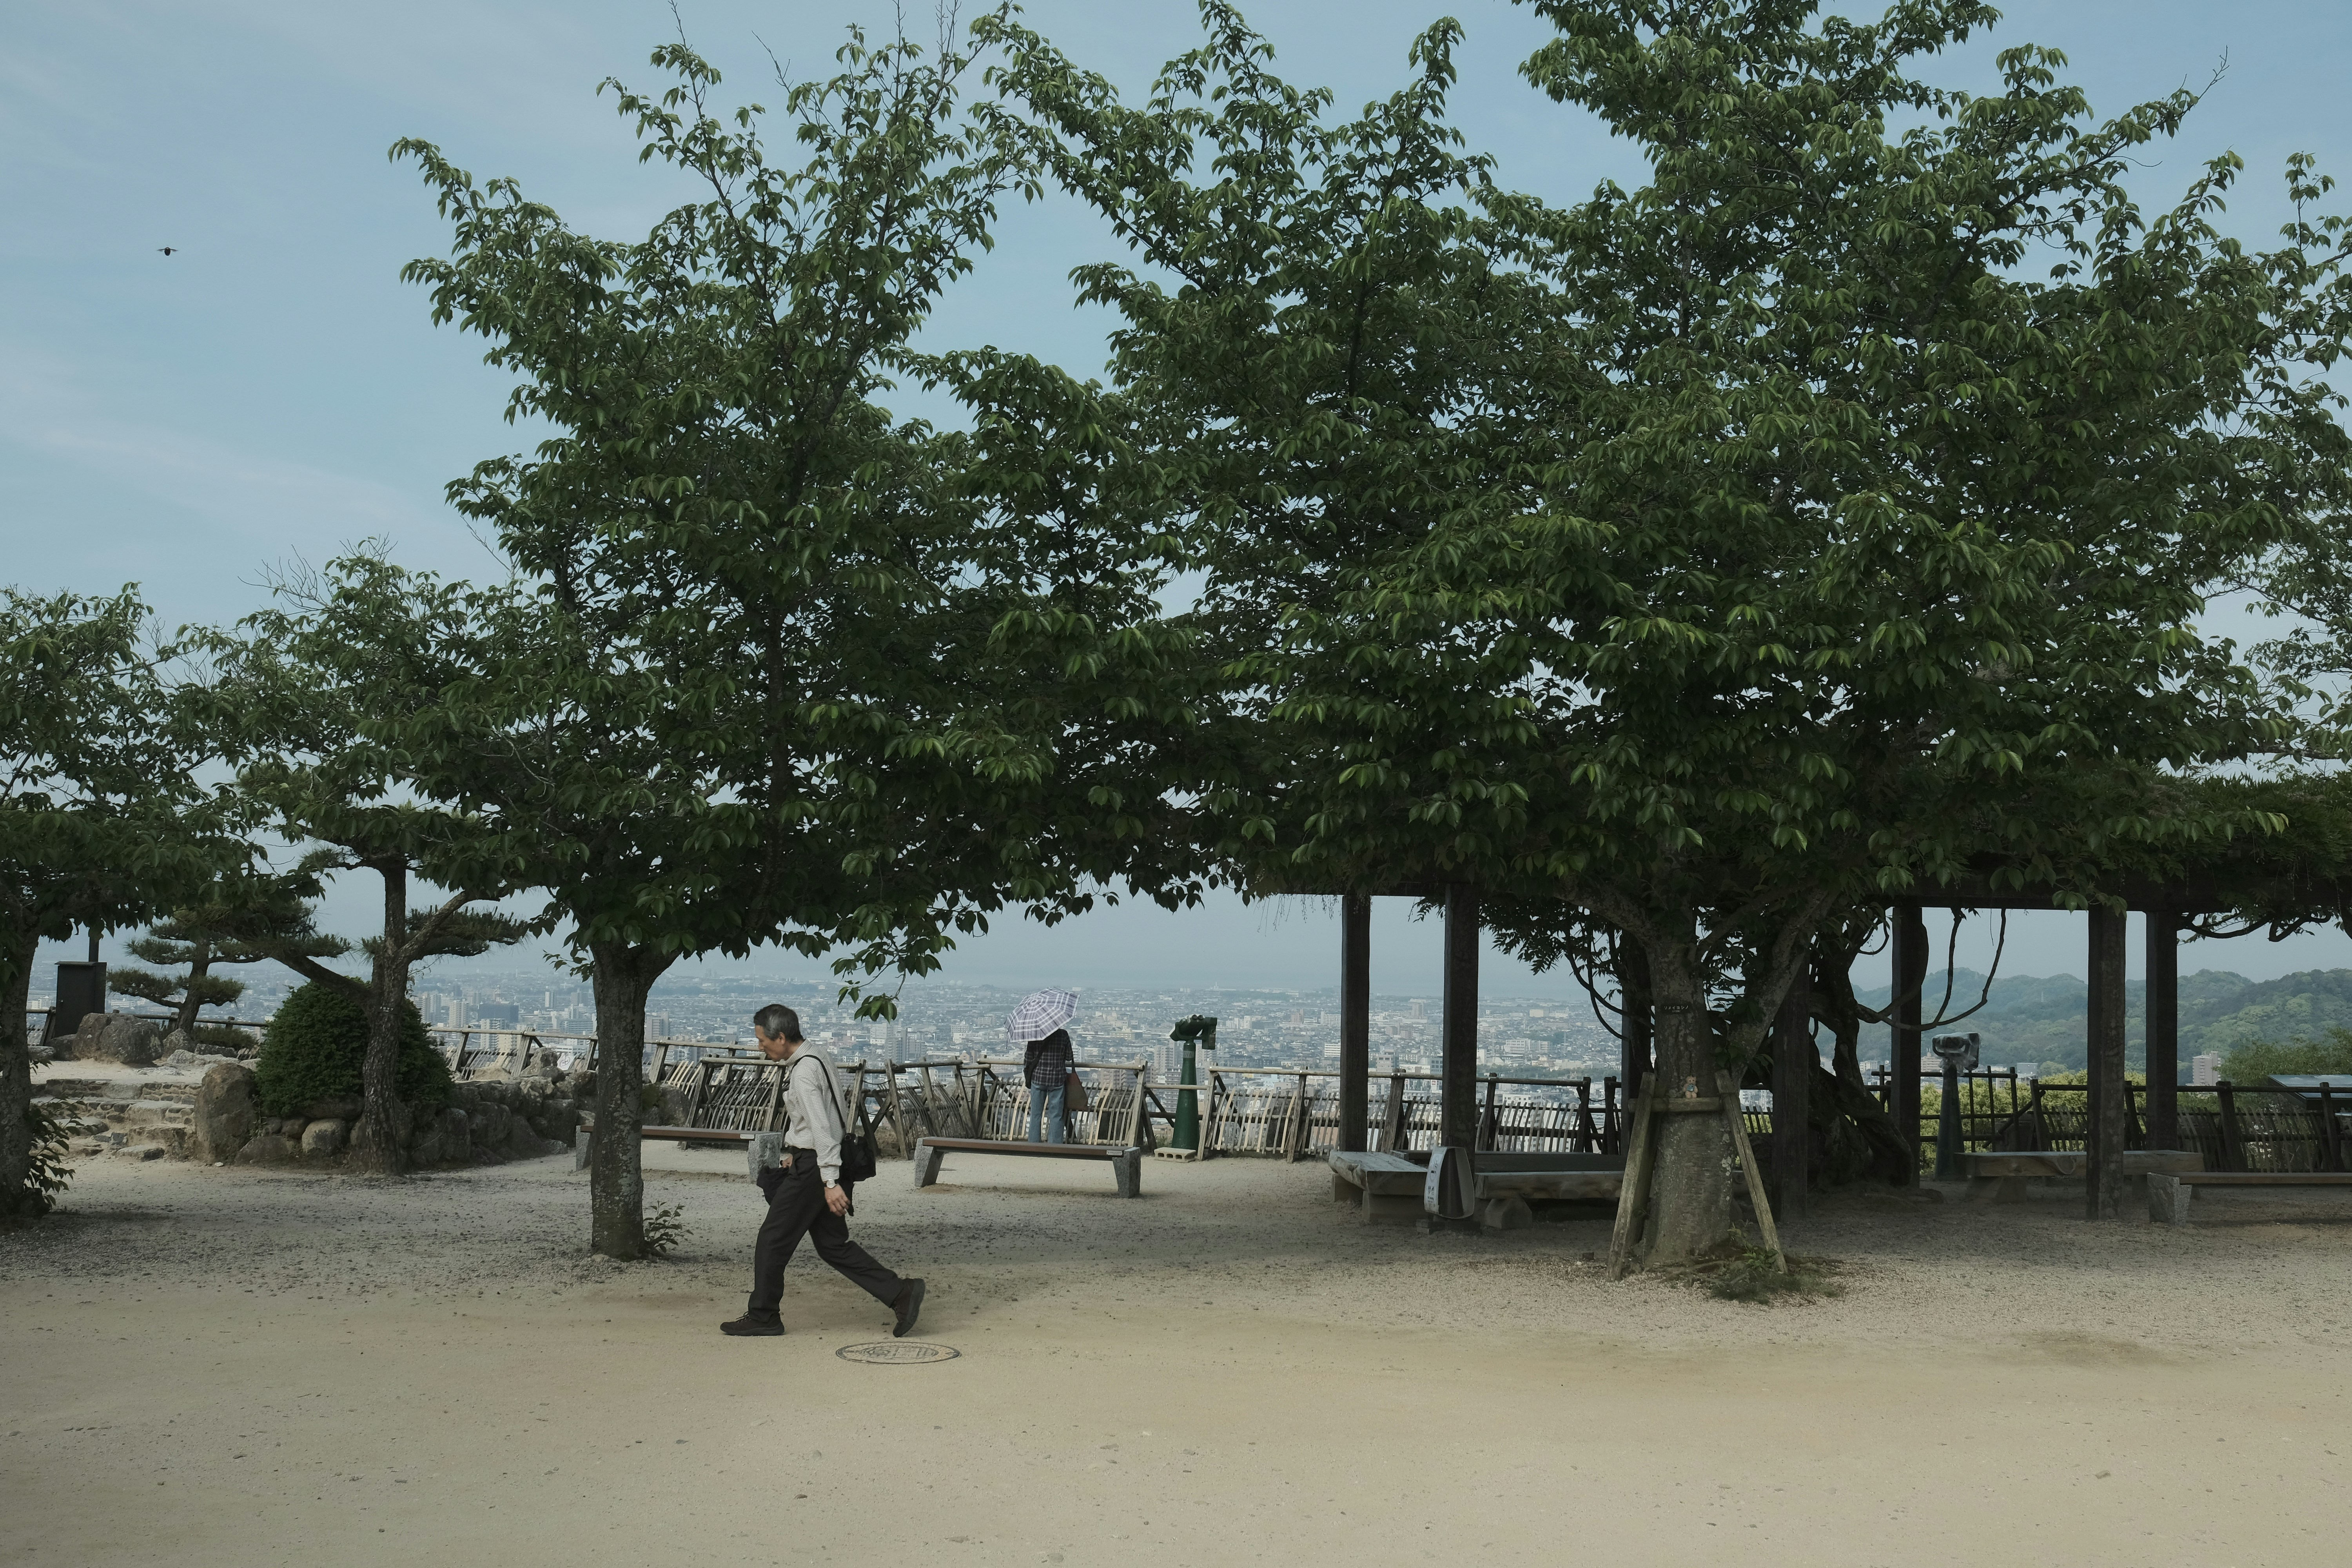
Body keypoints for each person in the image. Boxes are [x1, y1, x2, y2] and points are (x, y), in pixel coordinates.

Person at [720, 1004, 924, 1339]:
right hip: (816, 1160)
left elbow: (823, 1127)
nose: (760, 1047)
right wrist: (798, 1152)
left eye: (762, 1041)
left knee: (772, 1240)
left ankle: (764, 1315)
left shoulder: (802, 1072)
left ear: (781, 1037)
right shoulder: (816, 1055)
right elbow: (831, 1118)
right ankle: (900, 1292)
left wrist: (829, 1181)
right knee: (833, 1245)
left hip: (817, 1168)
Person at [1022, 1025, 1074, 1144]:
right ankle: (1055, 1146)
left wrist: (1027, 1075)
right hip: (1057, 1079)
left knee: (1036, 1115)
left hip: (1039, 1079)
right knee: (1056, 1115)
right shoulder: (1063, 1035)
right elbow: (1069, 1057)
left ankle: (1033, 1145)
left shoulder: (1035, 1035)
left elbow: (1028, 1059)